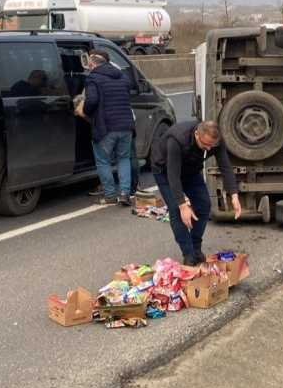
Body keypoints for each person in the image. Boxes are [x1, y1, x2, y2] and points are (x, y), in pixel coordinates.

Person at [150, 120, 241, 265]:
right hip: (165, 170)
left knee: (204, 205)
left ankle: (195, 247)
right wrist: (182, 205)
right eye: (205, 145)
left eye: (211, 145)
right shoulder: (177, 139)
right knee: (176, 210)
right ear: (197, 134)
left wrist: (234, 195)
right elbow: (173, 175)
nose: (208, 148)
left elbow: (225, 166)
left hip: (191, 169)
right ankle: (188, 254)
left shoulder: (215, 141)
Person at [83, 50, 135, 206]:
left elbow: (92, 100)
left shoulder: (93, 78)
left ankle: (110, 195)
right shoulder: (122, 77)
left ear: (92, 63)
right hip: (126, 125)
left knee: (103, 161)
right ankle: (125, 194)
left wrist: (84, 110)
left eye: (89, 64)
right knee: (123, 158)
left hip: (105, 127)